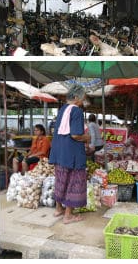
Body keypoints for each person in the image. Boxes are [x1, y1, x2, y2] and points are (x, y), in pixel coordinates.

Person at [48, 84, 91, 224]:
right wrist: (88, 138)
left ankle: (58, 209)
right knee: (74, 181)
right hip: (72, 153)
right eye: (82, 98)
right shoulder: (77, 111)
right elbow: (75, 135)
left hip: (59, 152)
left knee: (61, 179)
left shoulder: (62, 110)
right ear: (76, 97)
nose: (83, 101)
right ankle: (68, 216)